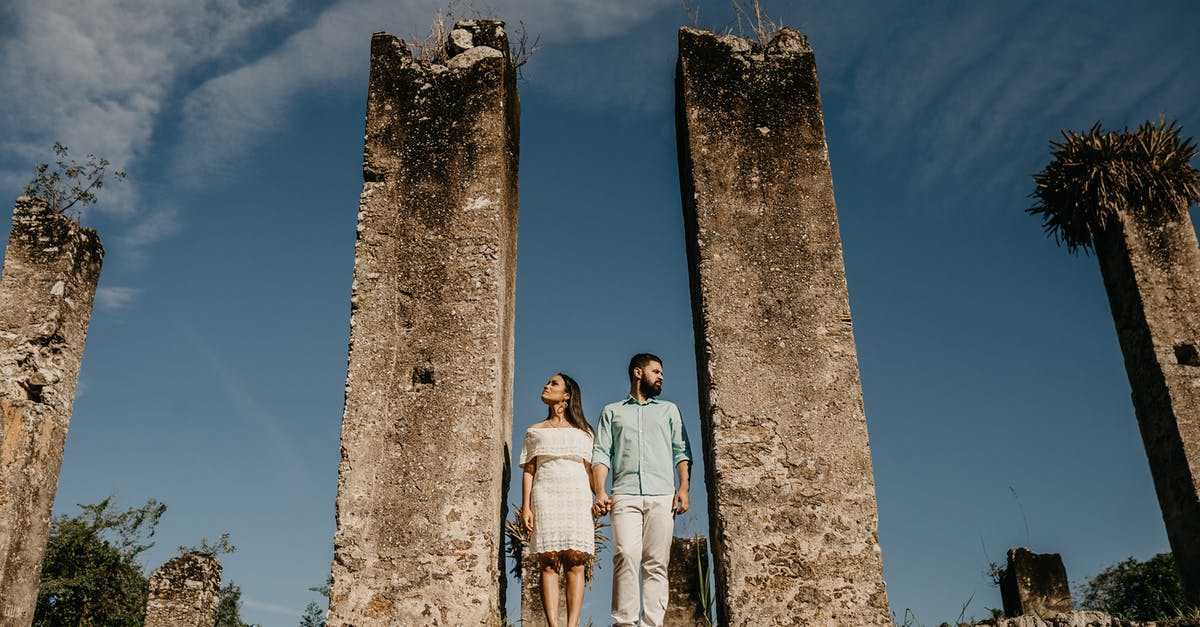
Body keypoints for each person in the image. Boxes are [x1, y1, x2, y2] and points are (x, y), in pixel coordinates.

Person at [591, 353, 693, 627]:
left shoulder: (669, 410)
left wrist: (683, 486)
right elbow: (601, 454)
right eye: (656, 371)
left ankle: (652, 624)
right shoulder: (612, 411)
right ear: (638, 372)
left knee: (656, 562)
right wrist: (600, 491)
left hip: (663, 494)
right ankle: (625, 622)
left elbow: (681, 451)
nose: (661, 377)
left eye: (662, 373)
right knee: (625, 553)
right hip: (624, 493)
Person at [518, 373, 596, 627]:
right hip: (545, 495)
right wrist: (526, 507)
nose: (546, 385)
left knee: (576, 561)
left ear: (567, 395)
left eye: (553, 383)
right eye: (547, 382)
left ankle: (572, 625)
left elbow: (589, 470)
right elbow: (529, 470)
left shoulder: (584, 433)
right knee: (548, 561)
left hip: (576, 496)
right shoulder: (534, 431)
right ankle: (553, 625)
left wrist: (601, 496)